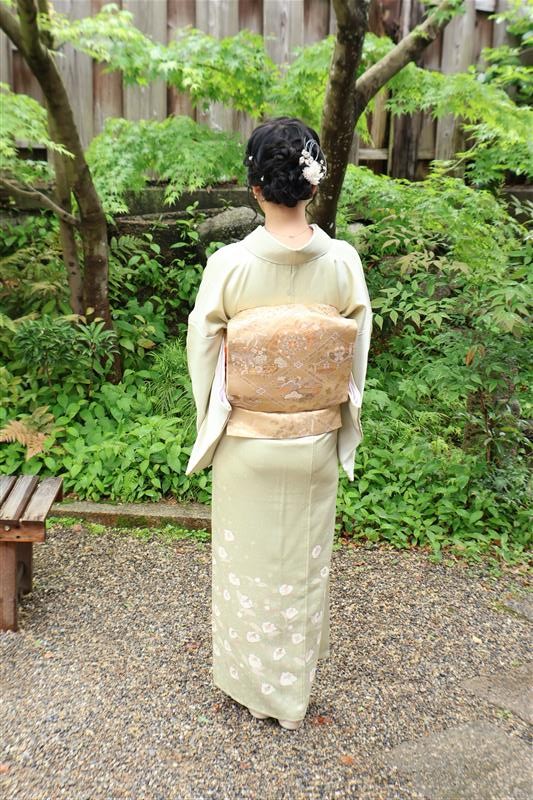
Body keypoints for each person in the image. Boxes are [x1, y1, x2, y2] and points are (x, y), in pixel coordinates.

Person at [186, 116, 372, 730]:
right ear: (313, 184)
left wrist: (212, 415)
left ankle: (251, 683)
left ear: (256, 188)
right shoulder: (342, 262)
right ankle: (293, 689)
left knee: (247, 567)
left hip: (248, 442)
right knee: (302, 566)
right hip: (314, 439)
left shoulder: (229, 265)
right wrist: (338, 415)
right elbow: (355, 351)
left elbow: (204, 347)